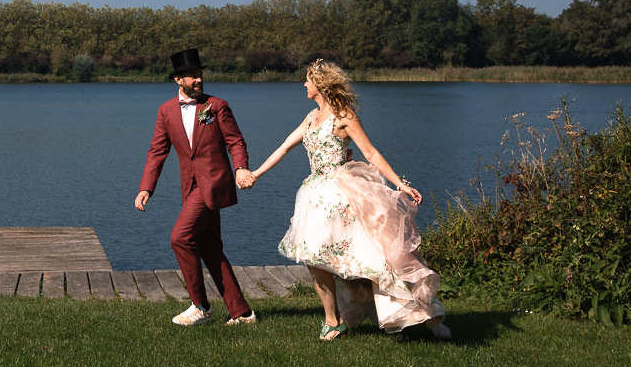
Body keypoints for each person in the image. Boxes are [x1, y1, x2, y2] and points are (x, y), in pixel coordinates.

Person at [238, 59, 450, 341]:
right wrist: (255, 174)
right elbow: (285, 146)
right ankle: (332, 320)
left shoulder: (344, 116)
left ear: (320, 84)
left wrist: (399, 183)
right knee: (313, 257)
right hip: (314, 195)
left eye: (307, 80)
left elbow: (371, 153)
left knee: (376, 260)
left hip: (342, 194)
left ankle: (427, 316)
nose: (304, 84)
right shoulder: (311, 118)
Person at [135, 48, 258, 326]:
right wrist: (146, 188)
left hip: (213, 184)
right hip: (189, 189)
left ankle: (200, 306)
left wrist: (240, 168)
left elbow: (235, 142)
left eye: (201, 75)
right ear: (178, 79)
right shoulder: (166, 111)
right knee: (210, 249)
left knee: (180, 238)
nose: (199, 80)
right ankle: (242, 313)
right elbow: (157, 152)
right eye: (193, 76)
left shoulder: (217, 106)